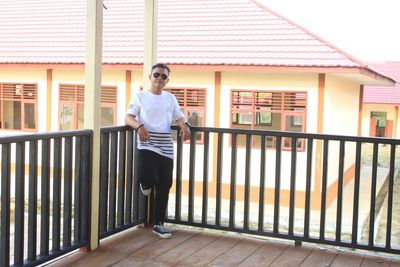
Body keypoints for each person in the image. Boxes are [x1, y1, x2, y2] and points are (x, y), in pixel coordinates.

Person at [125, 63, 191, 238]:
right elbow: (128, 117)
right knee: (149, 178)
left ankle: (158, 224)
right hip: (147, 144)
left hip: (166, 148)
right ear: (150, 77)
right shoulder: (140, 97)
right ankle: (144, 182)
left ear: (167, 80)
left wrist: (184, 125)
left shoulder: (170, 98)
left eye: (163, 76)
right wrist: (139, 126)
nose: (159, 78)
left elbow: (179, 117)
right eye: (156, 75)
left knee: (164, 186)